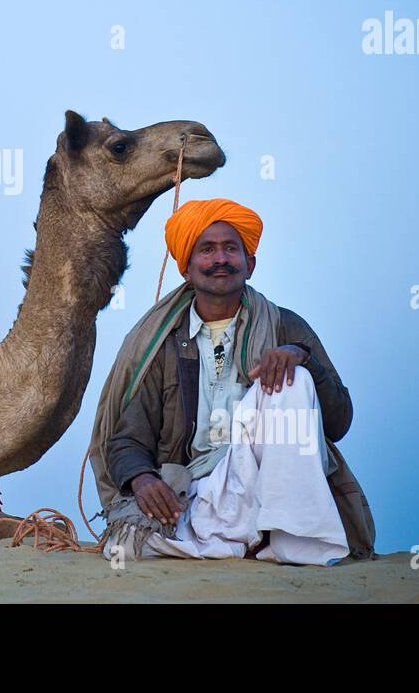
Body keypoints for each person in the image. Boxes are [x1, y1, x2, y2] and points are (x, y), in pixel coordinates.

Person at [88, 198, 376, 565]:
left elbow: (339, 422)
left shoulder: (285, 326)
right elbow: (128, 437)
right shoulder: (163, 343)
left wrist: (300, 355)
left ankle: (289, 539)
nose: (220, 259)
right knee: (128, 546)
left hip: (271, 484)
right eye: (206, 250)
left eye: (230, 249)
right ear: (186, 270)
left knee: (294, 378)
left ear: (249, 265)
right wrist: (143, 481)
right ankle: (238, 541)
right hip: (197, 490)